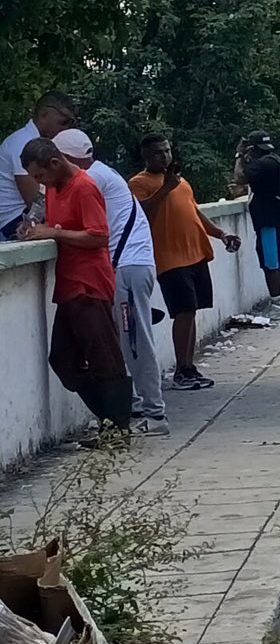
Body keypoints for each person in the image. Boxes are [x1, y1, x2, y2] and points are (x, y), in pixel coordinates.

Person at [55, 130, 168, 435]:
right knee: (124, 340)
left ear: (68, 158)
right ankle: (132, 409)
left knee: (135, 341)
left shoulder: (91, 180)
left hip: (127, 266)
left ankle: (154, 415)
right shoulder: (103, 172)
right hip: (132, 263)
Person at [18, 138, 131, 434]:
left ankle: (118, 428)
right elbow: (44, 223)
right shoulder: (54, 189)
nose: (39, 182)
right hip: (69, 285)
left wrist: (55, 233)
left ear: (55, 163)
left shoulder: (84, 187)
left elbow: (98, 237)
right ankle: (110, 418)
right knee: (64, 360)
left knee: (103, 356)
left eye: (40, 176)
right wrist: (35, 230)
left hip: (90, 283)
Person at [130, 133, 240, 390]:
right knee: (182, 312)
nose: (165, 156)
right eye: (158, 152)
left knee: (191, 312)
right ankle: (181, 371)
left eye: (167, 151)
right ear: (146, 156)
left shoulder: (180, 182)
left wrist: (221, 234)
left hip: (195, 254)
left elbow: (195, 212)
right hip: (169, 257)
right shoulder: (139, 182)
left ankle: (189, 367)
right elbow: (139, 213)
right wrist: (166, 187)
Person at [0, 92, 77, 240]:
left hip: (25, 216)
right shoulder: (22, 143)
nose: (66, 129)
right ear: (43, 114)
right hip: (13, 222)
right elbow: (36, 200)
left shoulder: (37, 142)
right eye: (62, 122)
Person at [240, 132, 280, 311]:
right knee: (273, 262)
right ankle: (276, 302)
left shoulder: (263, 164)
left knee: (271, 264)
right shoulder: (276, 161)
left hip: (269, 222)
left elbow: (239, 177)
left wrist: (239, 155)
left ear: (252, 148)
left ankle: (276, 305)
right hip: (279, 219)